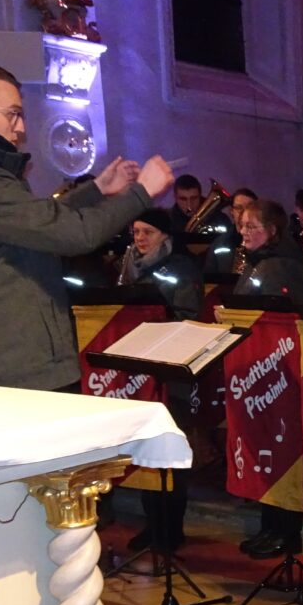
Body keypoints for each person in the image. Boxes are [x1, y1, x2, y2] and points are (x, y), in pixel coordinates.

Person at [0, 59, 173, 391]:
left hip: (10, 356)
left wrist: (96, 191)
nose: (20, 127)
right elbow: (74, 235)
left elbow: (33, 221)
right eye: (12, 114)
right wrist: (141, 192)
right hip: (11, 364)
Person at [117, 207, 204, 552]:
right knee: (144, 452)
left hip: (169, 374)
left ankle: (171, 528)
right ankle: (151, 524)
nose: (139, 239)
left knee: (168, 452)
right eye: (136, 232)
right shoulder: (129, 267)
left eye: (147, 232)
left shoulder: (181, 268)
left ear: (164, 236)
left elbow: (187, 315)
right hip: (139, 374)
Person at [231, 198, 303, 558]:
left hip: (282, 372)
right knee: (265, 448)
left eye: (253, 227)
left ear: (273, 231)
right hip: (259, 370)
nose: (245, 233)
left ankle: (286, 530)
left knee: (282, 450)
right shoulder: (257, 263)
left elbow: (288, 316)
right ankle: (270, 525)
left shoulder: (284, 265)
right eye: (243, 226)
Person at [203, 186, 257, 278]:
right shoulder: (219, 243)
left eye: (249, 208)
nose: (243, 212)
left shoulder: (262, 241)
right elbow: (209, 278)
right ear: (231, 211)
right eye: (239, 208)